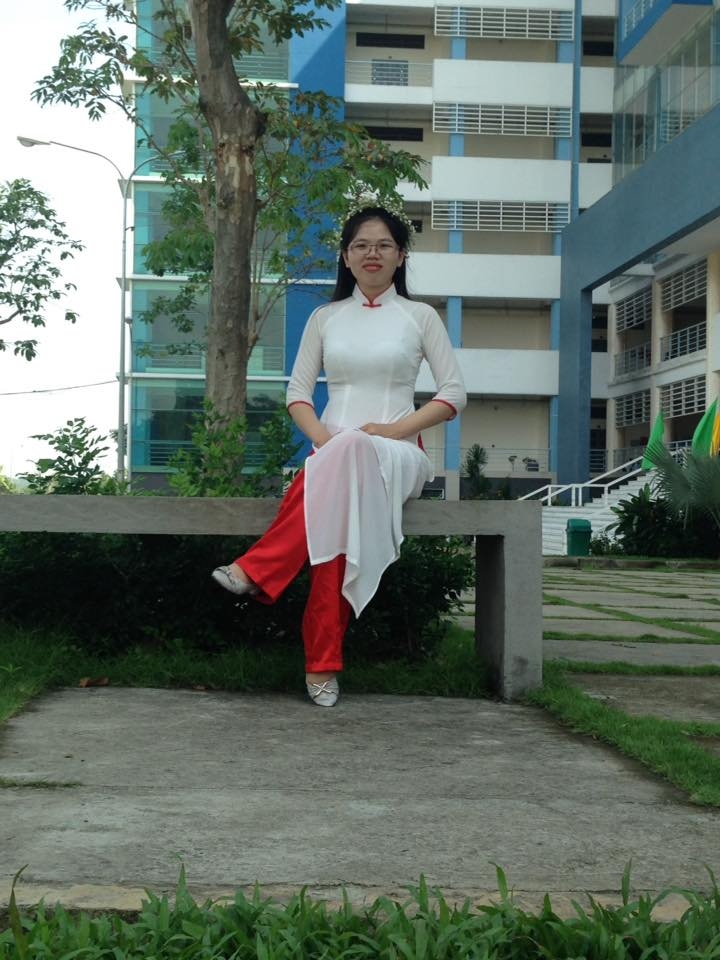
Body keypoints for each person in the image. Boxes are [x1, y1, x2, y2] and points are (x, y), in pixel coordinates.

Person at [212, 202, 466, 707]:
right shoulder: (325, 318)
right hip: (334, 456)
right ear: (346, 257)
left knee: (352, 447)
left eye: (384, 245)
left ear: (401, 256)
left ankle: (258, 569)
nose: (372, 253)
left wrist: (389, 431)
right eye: (361, 245)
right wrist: (329, 443)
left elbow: (453, 394)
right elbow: (298, 395)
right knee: (332, 547)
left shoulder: (420, 317)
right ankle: (321, 666)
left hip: (399, 454)